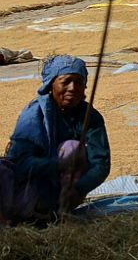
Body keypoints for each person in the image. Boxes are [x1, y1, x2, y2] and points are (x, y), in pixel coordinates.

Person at [0, 55, 111, 224]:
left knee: (72, 147)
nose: (73, 88)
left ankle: (52, 211)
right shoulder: (33, 115)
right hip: (26, 182)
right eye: (66, 81)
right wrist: (58, 165)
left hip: (62, 191)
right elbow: (22, 162)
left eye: (79, 82)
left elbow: (101, 163)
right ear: (51, 85)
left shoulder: (90, 117)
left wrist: (80, 188)